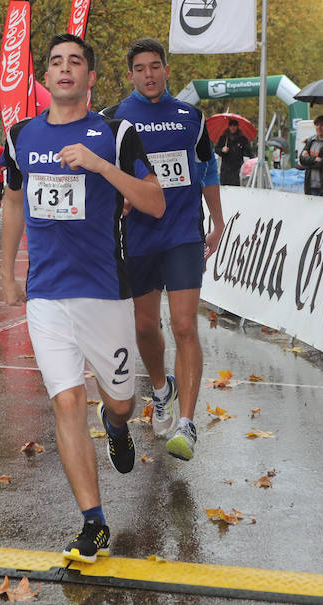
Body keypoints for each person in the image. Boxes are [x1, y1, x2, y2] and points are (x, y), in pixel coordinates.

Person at [0, 33, 165, 564]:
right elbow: (12, 202)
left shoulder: (117, 134)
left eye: (76, 63)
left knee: (119, 400)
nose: (65, 70)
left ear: (90, 78)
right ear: (44, 78)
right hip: (46, 296)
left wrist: (100, 167)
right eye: (55, 63)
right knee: (67, 401)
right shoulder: (20, 134)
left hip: (104, 293)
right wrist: (7, 273)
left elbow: (156, 202)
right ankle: (92, 522)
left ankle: (116, 424)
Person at [100, 37, 224, 462]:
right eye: (140, 68)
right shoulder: (113, 119)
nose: (149, 74)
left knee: (185, 325)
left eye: (156, 66)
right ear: (130, 73)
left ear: (167, 70)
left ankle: (187, 425)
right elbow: (103, 175)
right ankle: (160, 389)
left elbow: (207, 169)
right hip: (137, 238)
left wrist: (218, 221)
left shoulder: (192, 116)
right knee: (145, 328)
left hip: (183, 234)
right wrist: (123, 197)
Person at [299, 115, 323, 197]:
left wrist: (308, 160)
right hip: (310, 186)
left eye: (322, 125)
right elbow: (301, 159)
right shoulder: (310, 141)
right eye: (317, 125)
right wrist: (315, 159)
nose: (319, 127)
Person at [215, 119, 252, 186]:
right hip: (225, 169)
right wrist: (222, 150)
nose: (233, 128)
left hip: (237, 169)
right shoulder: (223, 138)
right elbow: (217, 149)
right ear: (229, 127)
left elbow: (248, 151)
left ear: (237, 127)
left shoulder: (242, 139)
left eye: (234, 126)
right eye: (231, 126)